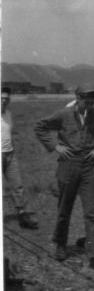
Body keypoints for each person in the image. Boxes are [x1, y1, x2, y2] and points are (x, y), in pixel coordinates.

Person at [35, 85, 94, 264]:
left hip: (89, 165)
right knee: (64, 208)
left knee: (91, 210)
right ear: (78, 98)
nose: (89, 105)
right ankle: (60, 244)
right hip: (68, 165)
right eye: (86, 102)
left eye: (92, 102)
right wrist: (56, 146)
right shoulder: (63, 114)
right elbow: (40, 127)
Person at [1, 86, 38, 229]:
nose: (4, 101)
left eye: (6, 99)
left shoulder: (8, 114)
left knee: (18, 186)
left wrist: (12, 150)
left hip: (10, 155)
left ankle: (22, 215)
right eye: (1, 98)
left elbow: (8, 134)